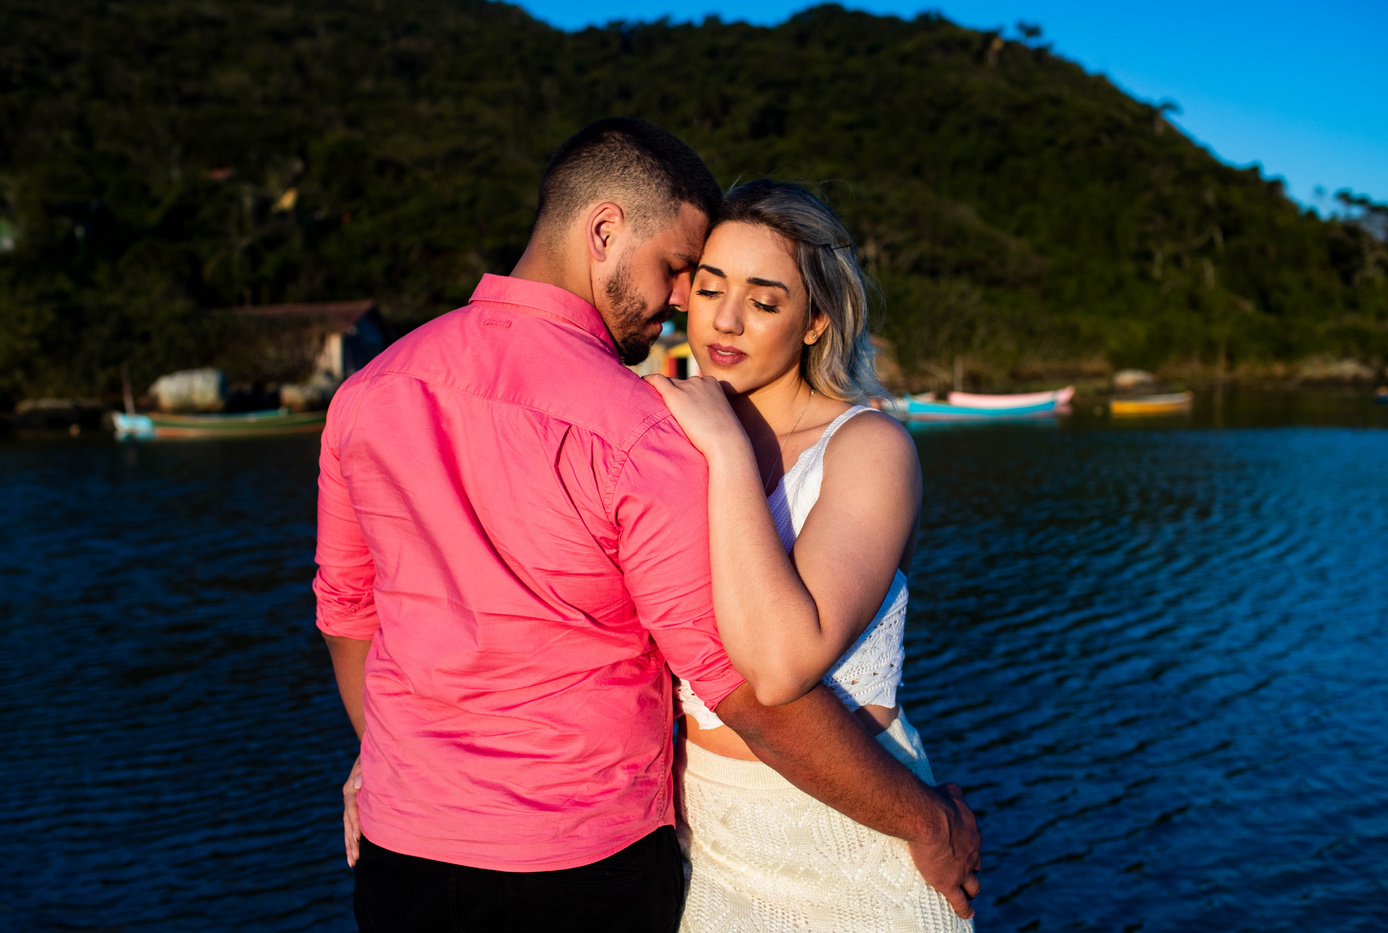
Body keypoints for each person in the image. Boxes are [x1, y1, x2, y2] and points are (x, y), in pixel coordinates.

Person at [319, 119, 980, 932]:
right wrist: (927, 818)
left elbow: (348, 613)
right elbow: (744, 690)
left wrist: (386, 757)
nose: (689, 307)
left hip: (409, 850)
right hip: (590, 862)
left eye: (760, 298)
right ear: (604, 231)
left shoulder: (366, 392)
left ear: (814, 318)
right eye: (687, 274)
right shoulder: (642, 430)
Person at [644, 179, 976, 932]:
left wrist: (728, 448)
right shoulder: (667, 437)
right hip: (711, 843)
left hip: (855, 843)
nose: (726, 320)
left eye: (764, 302)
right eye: (709, 289)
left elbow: (782, 664)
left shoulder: (868, 448)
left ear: (816, 320)